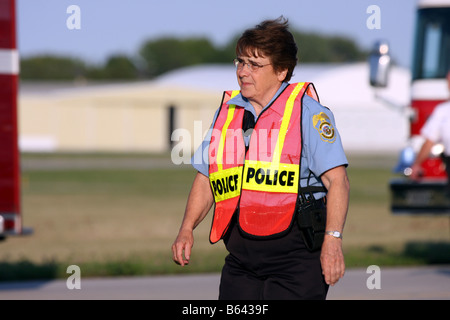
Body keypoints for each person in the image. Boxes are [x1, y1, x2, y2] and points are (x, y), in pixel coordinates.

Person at [172, 17, 350, 300]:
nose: (243, 72)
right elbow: (206, 178)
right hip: (242, 262)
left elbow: (338, 181)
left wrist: (333, 240)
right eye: (240, 62)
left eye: (254, 65)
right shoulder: (228, 113)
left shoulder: (309, 114)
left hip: (296, 261)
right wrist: (186, 228)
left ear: (281, 71)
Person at [410, 69, 450, 193]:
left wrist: (416, 164)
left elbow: (429, 142)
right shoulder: (443, 110)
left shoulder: (443, 111)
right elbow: (429, 142)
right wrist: (417, 164)